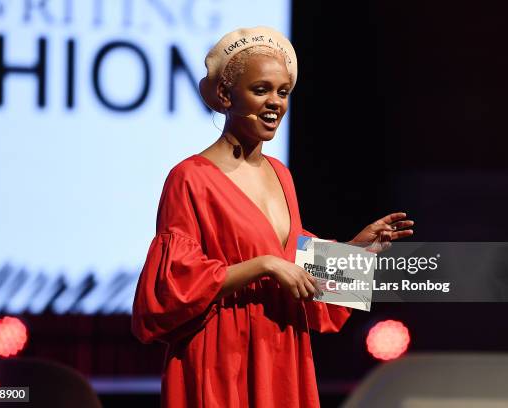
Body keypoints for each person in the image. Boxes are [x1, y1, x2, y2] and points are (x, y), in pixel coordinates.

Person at [131, 26, 414, 407]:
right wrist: (262, 265)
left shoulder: (281, 174)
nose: (275, 103)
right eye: (261, 89)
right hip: (220, 353)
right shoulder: (190, 178)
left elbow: (294, 265)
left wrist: (355, 251)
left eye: (283, 92)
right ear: (225, 95)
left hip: (281, 346)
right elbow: (174, 288)